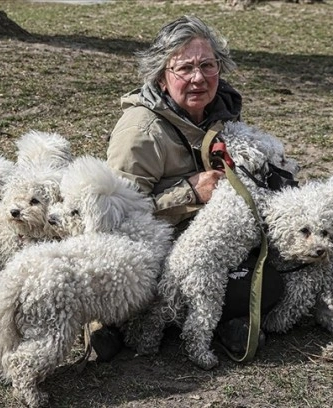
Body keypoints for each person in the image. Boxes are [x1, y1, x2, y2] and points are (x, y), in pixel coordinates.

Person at [94, 15, 283, 361]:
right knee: (261, 287)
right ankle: (129, 324)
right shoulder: (140, 132)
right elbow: (113, 218)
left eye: (208, 65)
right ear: (162, 76)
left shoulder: (220, 111)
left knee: (281, 265)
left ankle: (191, 320)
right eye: (185, 68)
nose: (199, 78)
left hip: (210, 239)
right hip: (159, 251)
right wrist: (189, 192)